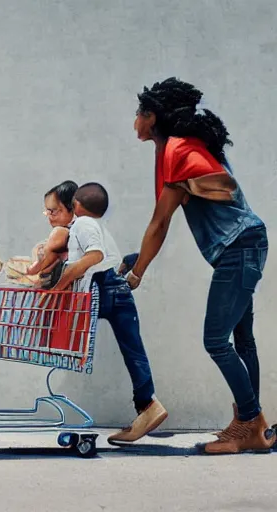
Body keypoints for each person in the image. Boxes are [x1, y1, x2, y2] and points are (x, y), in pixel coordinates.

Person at [126, 77, 273, 454]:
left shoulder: (178, 148)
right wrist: (138, 260)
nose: (134, 122)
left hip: (240, 247)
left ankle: (247, 424)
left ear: (151, 116)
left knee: (215, 341)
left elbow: (161, 222)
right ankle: (253, 425)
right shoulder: (176, 149)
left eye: (138, 114)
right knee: (241, 340)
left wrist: (138, 272)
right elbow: (166, 214)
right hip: (242, 246)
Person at [52, 183, 166, 444]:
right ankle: (147, 405)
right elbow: (113, 257)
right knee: (133, 349)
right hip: (118, 286)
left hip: (104, 288)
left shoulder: (82, 224)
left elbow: (93, 258)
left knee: (56, 326)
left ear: (76, 206)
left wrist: (56, 290)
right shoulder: (98, 226)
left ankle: (147, 407)